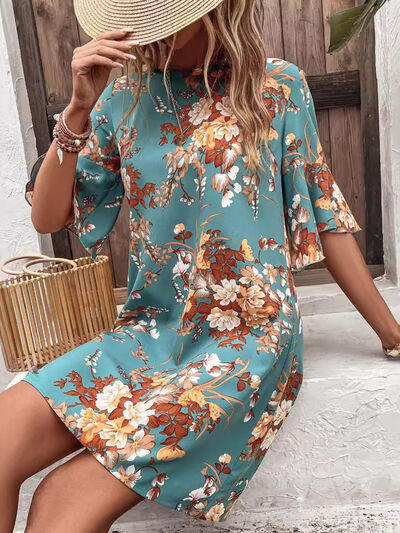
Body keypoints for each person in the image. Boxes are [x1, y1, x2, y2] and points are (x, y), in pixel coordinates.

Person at [1, 0, 399, 530]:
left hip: (245, 339)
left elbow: (325, 217)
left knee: (60, 501)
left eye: (165, 17)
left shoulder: (277, 87)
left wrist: (392, 333)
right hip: (147, 332)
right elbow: (50, 217)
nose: (151, 34)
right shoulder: (123, 97)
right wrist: (77, 111)